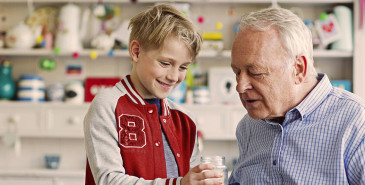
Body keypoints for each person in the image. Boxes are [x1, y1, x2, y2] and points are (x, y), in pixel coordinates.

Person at [84, 4, 222, 185]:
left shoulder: (186, 119)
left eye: (183, 67)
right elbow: (109, 180)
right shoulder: (107, 105)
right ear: (136, 52)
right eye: (165, 63)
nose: (174, 76)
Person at [228, 7, 365, 185]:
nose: (240, 86)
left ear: (298, 69)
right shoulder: (248, 126)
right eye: (237, 72)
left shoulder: (356, 121)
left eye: (256, 72)